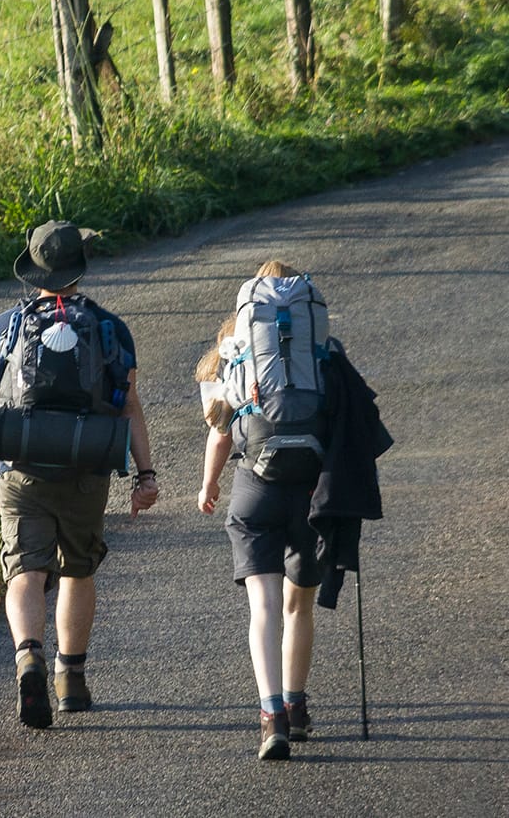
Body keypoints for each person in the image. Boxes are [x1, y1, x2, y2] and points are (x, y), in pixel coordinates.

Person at [0, 220, 158, 728]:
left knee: (24, 570)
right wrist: (145, 475)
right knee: (78, 569)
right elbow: (128, 406)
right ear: (80, 268)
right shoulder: (109, 328)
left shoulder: (6, 326)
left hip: (21, 465)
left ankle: (28, 657)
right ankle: (70, 681)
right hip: (86, 466)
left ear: (34, 269)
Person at [196, 262, 329, 761]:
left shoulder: (233, 355)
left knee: (264, 607)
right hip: (311, 490)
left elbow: (219, 431)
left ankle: (271, 716)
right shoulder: (319, 350)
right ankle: (296, 704)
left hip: (256, 489)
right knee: (299, 606)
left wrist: (209, 484)